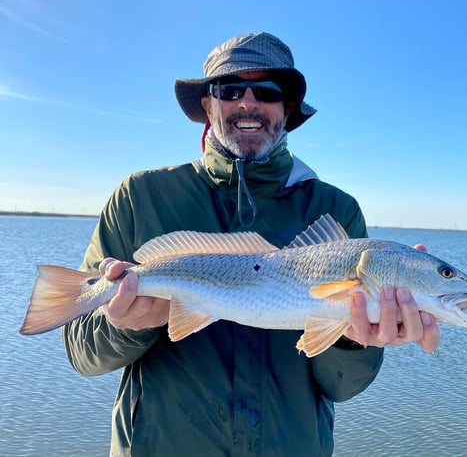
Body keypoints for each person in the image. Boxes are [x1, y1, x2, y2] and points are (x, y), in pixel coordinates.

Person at [62, 32, 439, 457]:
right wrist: (126, 325)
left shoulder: (335, 210)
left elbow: (342, 386)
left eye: (267, 91)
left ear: (287, 108)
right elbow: (82, 352)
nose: (248, 102)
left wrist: (355, 341)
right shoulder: (140, 197)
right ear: (208, 104)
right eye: (229, 90)